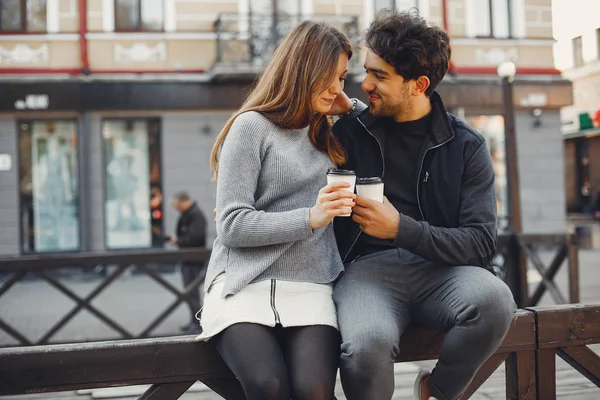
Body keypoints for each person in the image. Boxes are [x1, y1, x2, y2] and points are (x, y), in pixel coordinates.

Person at [331, 10, 517, 400]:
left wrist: (400, 229)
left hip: (442, 273)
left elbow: (482, 242)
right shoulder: (349, 131)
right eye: (366, 71)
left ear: (419, 85)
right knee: (365, 345)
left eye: (379, 76)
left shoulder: (467, 145)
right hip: (367, 273)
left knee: (496, 300)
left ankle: (436, 390)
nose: (365, 84)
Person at [197, 21, 356, 400]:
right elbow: (232, 225)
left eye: (343, 78)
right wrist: (310, 218)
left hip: (311, 284)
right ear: (303, 71)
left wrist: (350, 106)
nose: (337, 88)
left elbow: (384, 125)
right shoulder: (250, 127)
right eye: (329, 77)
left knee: (314, 390)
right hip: (243, 284)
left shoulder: (331, 129)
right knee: (267, 386)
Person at [170, 191, 207, 333]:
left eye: (176, 205)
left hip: (193, 259)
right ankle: (194, 321)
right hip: (188, 258)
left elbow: (195, 238)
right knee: (189, 292)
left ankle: (198, 323)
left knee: (192, 293)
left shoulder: (196, 215)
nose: (176, 208)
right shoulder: (188, 215)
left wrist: (178, 240)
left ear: (184, 201)